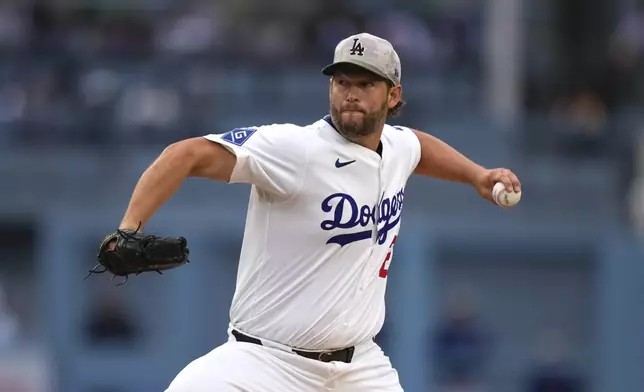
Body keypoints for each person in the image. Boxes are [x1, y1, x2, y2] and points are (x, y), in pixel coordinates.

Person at [110, 33, 521, 391]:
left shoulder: (396, 148)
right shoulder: (296, 150)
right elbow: (186, 154)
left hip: (359, 369)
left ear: (393, 95)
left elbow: (416, 146)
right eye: (342, 82)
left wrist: (477, 175)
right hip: (263, 363)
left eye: (365, 83)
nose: (351, 93)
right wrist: (128, 228)